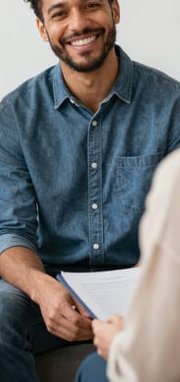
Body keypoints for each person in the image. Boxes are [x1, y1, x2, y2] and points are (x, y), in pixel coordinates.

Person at [0, 0, 180, 382]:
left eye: (91, 5)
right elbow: (7, 230)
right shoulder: (17, 115)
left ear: (114, 9)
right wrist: (44, 290)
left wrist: (140, 298)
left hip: (145, 289)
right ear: (43, 29)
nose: (78, 24)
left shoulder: (171, 105)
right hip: (54, 285)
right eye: (59, 13)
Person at [75, 147, 180, 381]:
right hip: (56, 282)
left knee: (94, 369)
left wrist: (120, 344)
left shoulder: (175, 176)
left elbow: (158, 366)